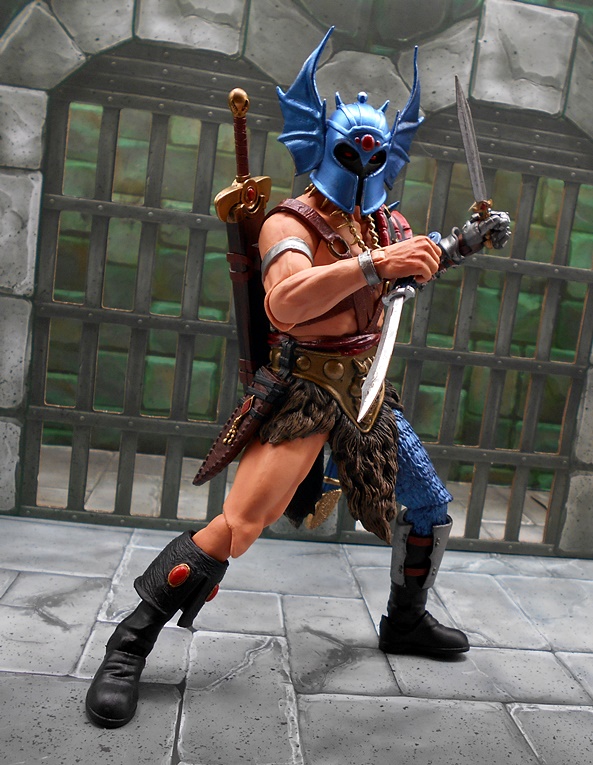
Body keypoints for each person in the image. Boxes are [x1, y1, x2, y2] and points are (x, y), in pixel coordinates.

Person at [85, 29, 511, 728]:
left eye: (375, 154)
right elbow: (285, 302)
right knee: (239, 526)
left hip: (366, 393)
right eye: (352, 153)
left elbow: (416, 256)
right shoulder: (292, 222)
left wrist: (461, 241)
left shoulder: (385, 221)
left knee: (429, 508)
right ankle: (128, 643)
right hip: (307, 394)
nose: (364, 164)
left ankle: (405, 620)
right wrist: (376, 265)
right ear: (322, 146)